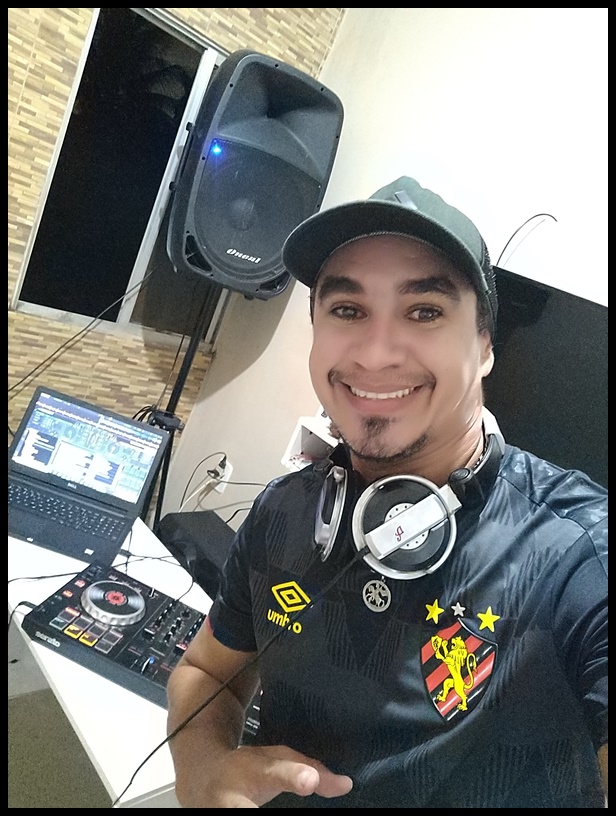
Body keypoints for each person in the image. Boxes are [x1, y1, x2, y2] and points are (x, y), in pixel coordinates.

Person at [165, 176, 608, 808]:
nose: (375, 355)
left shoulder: (577, 552)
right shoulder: (282, 512)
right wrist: (202, 766)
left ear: (484, 346)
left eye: (424, 311)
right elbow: (206, 671)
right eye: (348, 310)